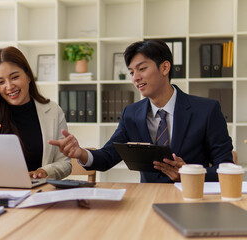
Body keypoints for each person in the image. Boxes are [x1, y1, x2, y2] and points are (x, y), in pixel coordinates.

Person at [49, 39, 233, 183]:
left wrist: (190, 173)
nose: (135, 78)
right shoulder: (132, 113)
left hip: (191, 197)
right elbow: (108, 156)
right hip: (148, 199)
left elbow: (226, 168)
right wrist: (81, 153)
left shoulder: (207, 110)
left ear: (165, 67)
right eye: (131, 72)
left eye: (142, 69)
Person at [0, 46, 71, 180]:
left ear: (28, 76)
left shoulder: (52, 111)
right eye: (1, 82)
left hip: (38, 192)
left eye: (14, 77)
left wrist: (45, 171)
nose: (9, 86)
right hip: (0, 191)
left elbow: (65, 163)